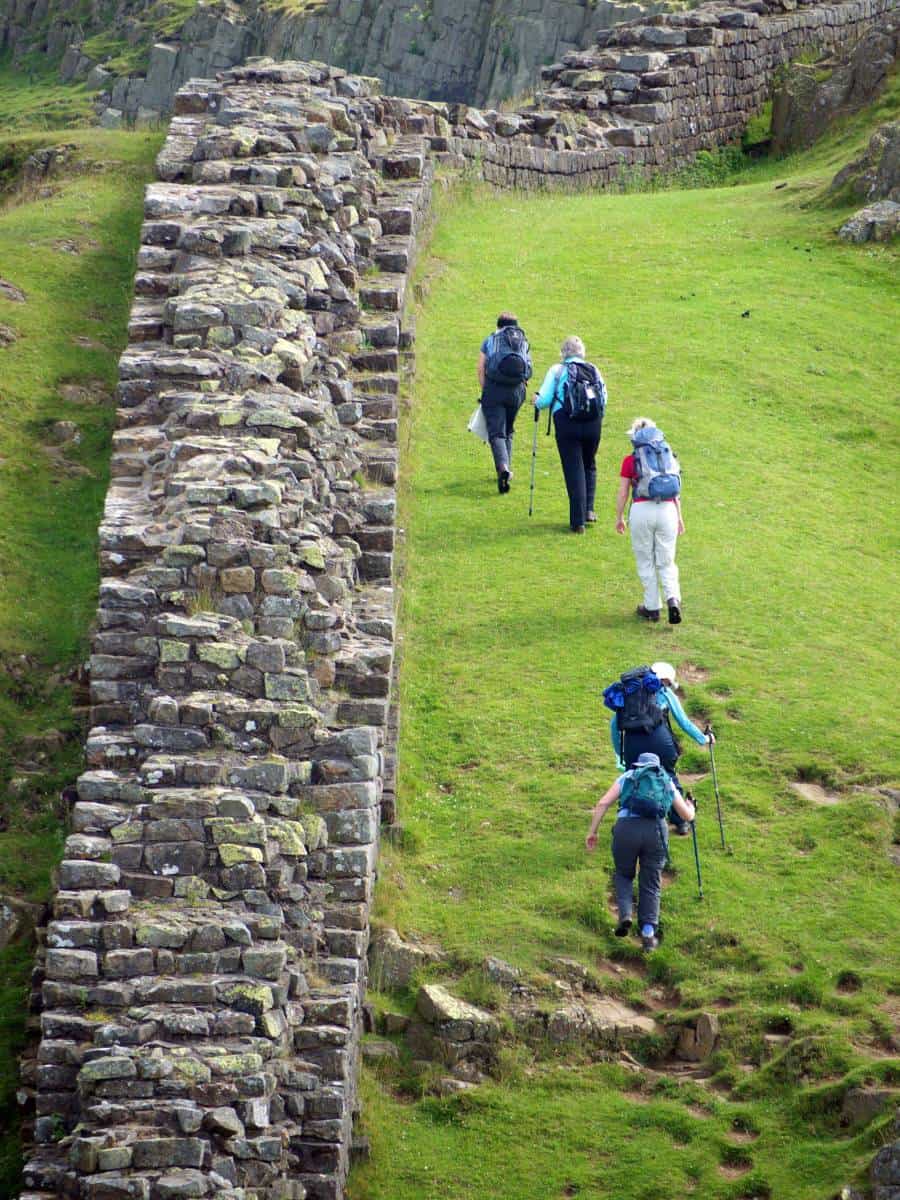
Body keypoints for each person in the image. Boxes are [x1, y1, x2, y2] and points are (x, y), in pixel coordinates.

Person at [585, 752, 696, 950]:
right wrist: (691, 807)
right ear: (657, 766)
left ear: (638, 765)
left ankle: (626, 915)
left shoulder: (628, 776)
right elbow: (686, 816)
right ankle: (648, 935)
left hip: (626, 828)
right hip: (656, 831)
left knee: (624, 874)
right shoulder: (665, 779)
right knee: (651, 882)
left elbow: (603, 803)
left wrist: (592, 832)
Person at [608, 660, 714, 835]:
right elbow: (684, 722)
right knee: (668, 777)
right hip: (661, 744)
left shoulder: (629, 694)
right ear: (665, 681)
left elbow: (615, 727)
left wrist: (621, 754)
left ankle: (625, 822)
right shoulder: (665, 694)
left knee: (631, 779)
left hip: (633, 747)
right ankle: (680, 821)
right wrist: (704, 739)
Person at [533, 336, 606, 533]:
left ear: (563, 353)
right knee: (589, 464)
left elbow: (544, 400)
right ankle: (589, 510)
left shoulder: (557, 370)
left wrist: (535, 400)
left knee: (574, 469)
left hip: (567, 423)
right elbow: (603, 398)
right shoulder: (594, 370)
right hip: (593, 423)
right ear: (582, 352)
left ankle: (578, 521)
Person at [615, 416, 683, 623]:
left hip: (641, 509)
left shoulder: (631, 460)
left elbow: (624, 492)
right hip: (668, 509)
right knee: (666, 559)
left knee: (645, 558)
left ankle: (652, 607)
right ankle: (673, 599)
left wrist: (619, 517)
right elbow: (676, 490)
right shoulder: (667, 455)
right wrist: (680, 517)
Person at [478, 312, 532, 493]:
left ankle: (503, 467)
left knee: (496, 432)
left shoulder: (491, 339)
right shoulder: (522, 341)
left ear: (498, 325)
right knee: (509, 429)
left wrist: (486, 390)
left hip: (494, 388)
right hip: (517, 391)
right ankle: (507, 468)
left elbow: (481, 368)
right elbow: (528, 369)